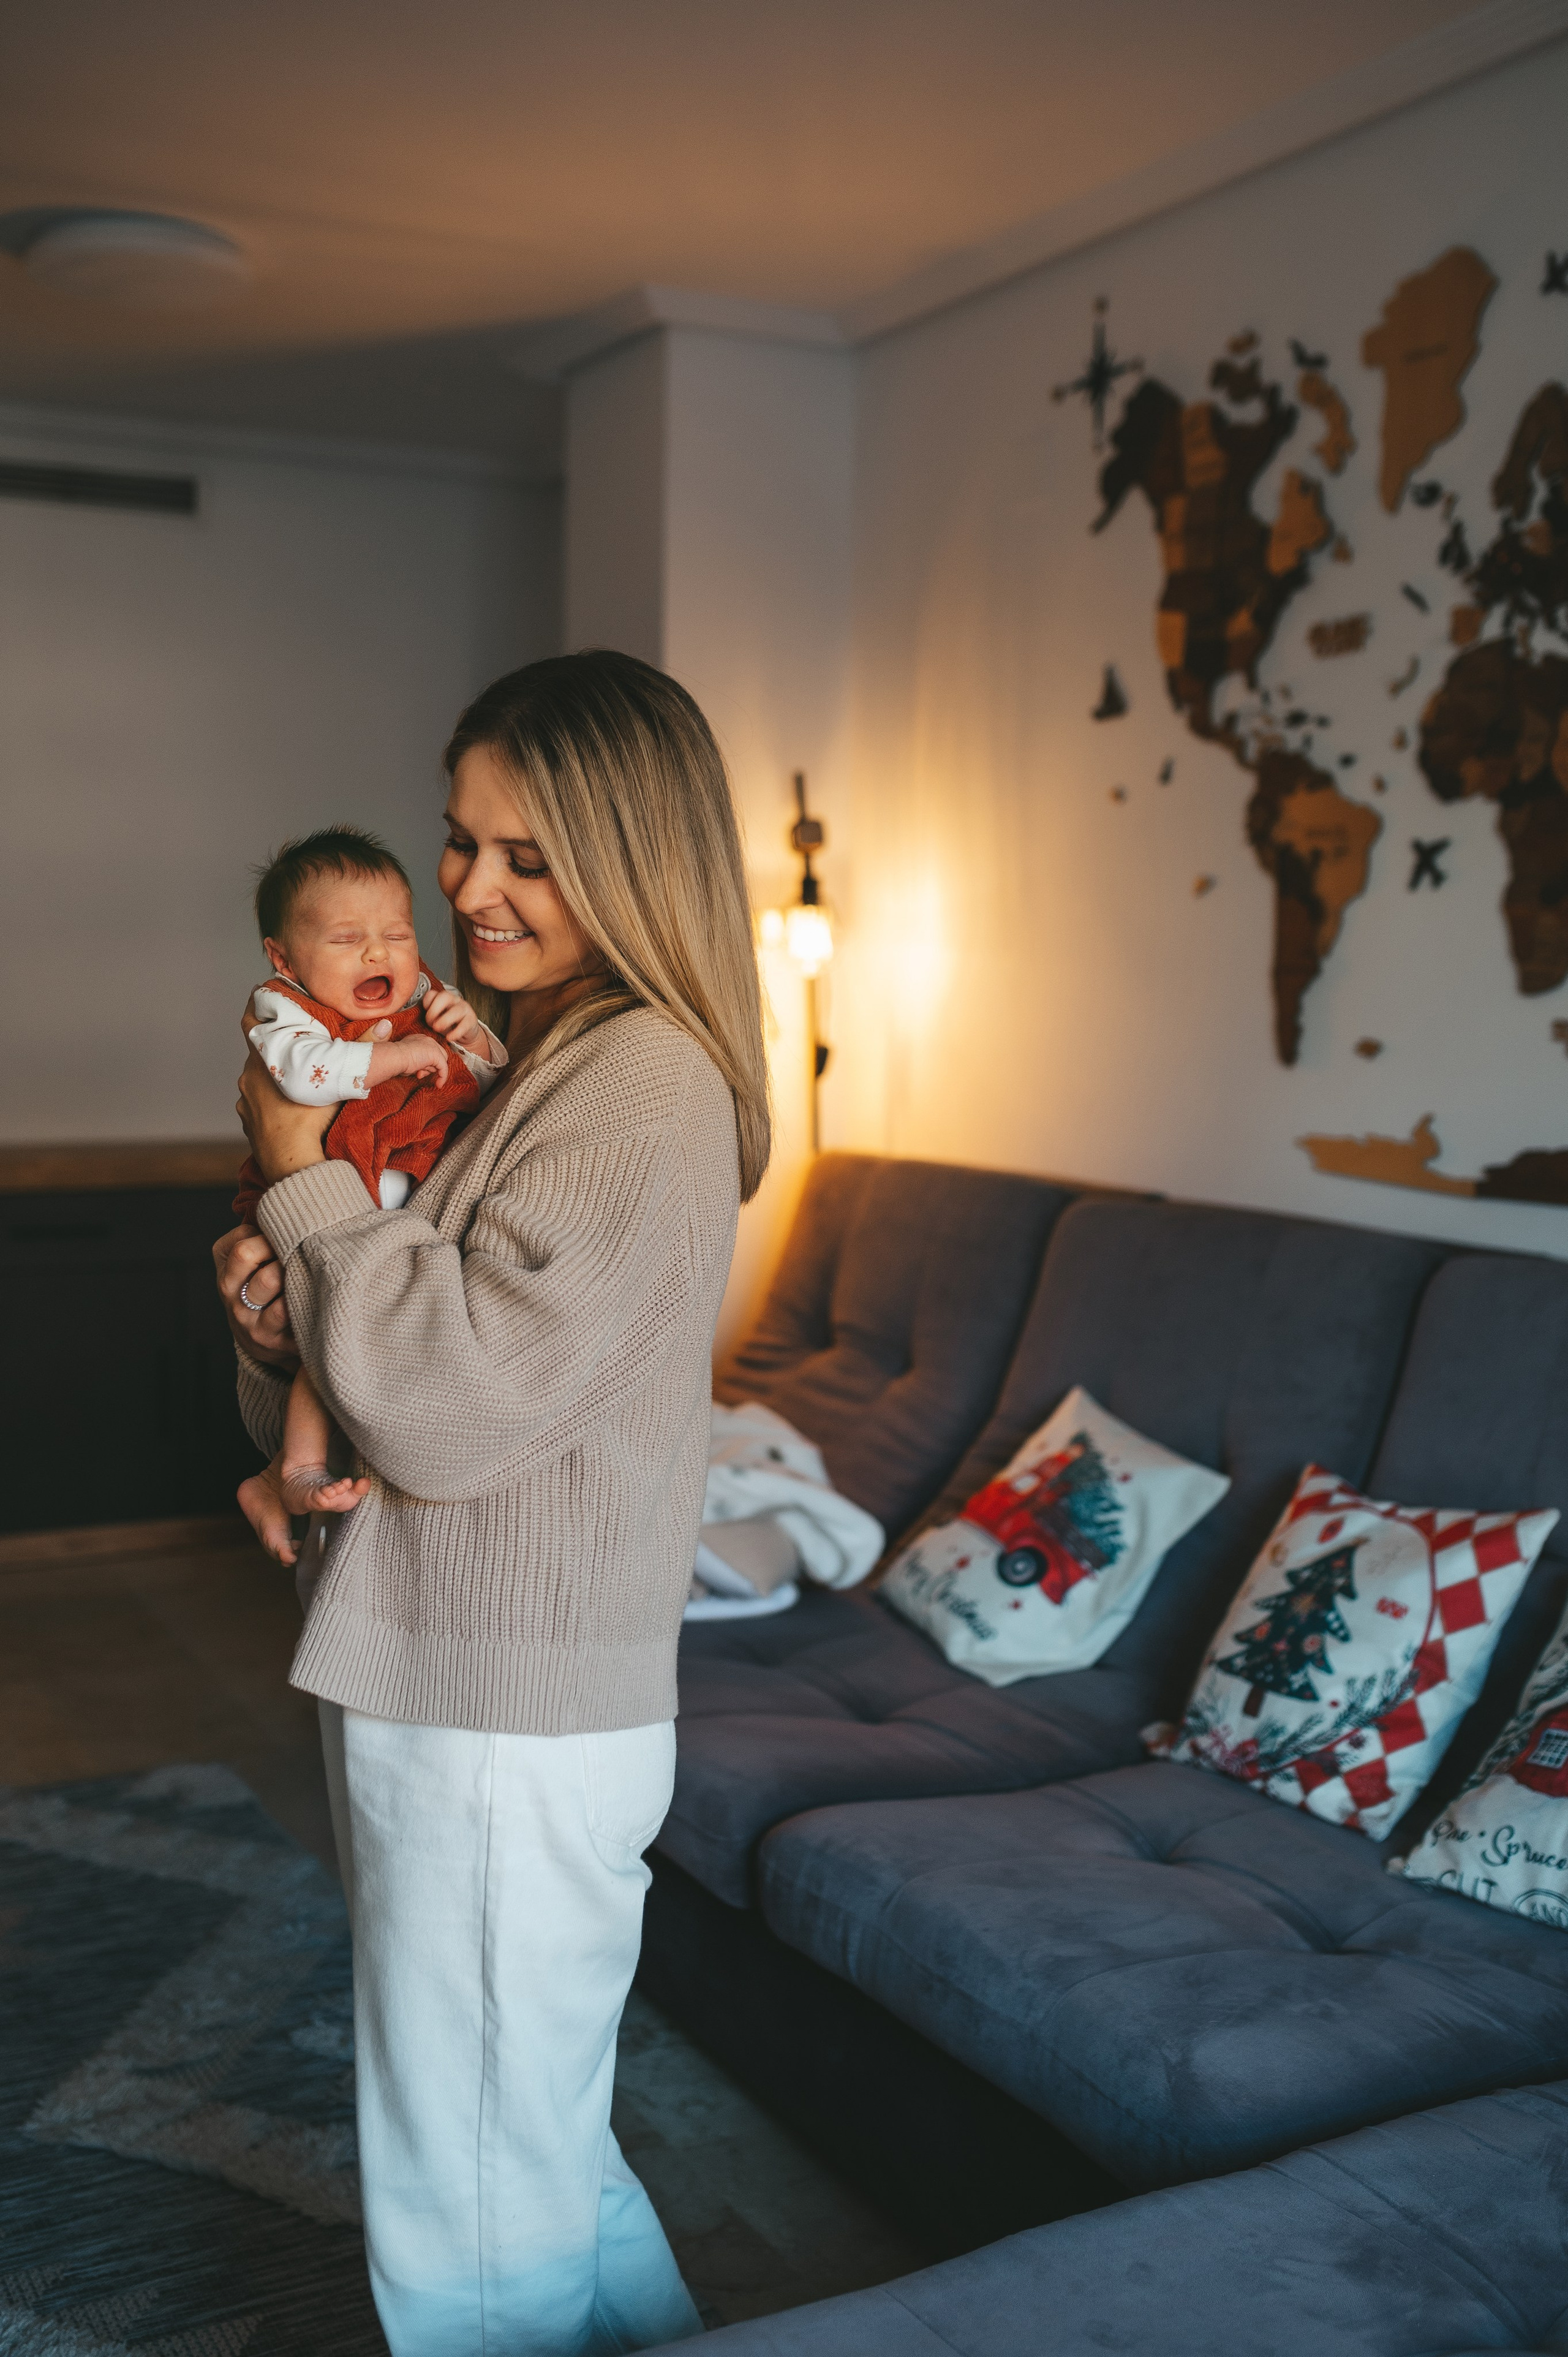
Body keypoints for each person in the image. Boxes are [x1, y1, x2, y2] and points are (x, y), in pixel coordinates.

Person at [213, 651, 769, 2357]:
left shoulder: (640, 1085)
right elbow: (398, 1373)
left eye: (525, 855)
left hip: (499, 1708)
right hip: (470, 1675)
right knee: (527, 2142)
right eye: (464, 843)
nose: (464, 889)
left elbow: (442, 1408)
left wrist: (298, 1169)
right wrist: (285, 1300)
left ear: (630, 853)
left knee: (467, 2204)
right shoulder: (539, 1061)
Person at [232, 825, 508, 1562]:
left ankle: (275, 1476)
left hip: (385, 1210)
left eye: (396, 933)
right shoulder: (282, 1009)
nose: (378, 954)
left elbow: (481, 1094)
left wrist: (473, 1044)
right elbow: (300, 1078)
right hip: (315, 1205)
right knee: (333, 1343)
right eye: (347, 938)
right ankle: (291, 1469)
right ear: (283, 957)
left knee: (351, 1347)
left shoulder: (428, 1000)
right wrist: (398, 1055)